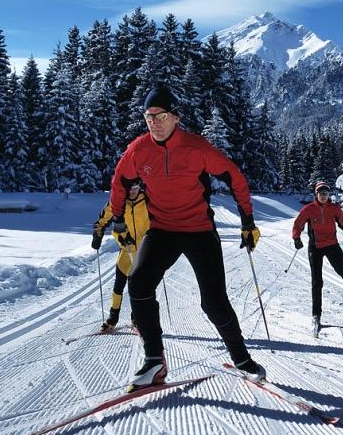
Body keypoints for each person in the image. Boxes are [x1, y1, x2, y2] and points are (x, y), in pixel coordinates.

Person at [109, 86, 265, 391]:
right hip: (162, 230)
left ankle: (242, 359)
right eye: (148, 116)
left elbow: (235, 176)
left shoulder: (196, 147)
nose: (154, 121)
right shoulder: (139, 150)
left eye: (161, 115)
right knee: (138, 283)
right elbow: (120, 180)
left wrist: (247, 220)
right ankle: (154, 361)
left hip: (198, 231)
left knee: (214, 302)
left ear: (175, 117)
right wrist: (117, 218)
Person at [292, 181, 343, 335]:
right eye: (321, 193)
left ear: (329, 195)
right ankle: (316, 314)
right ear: (316, 194)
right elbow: (298, 224)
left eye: (326, 193)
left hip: (332, 245)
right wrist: (296, 238)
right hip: (315, 247)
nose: (324, 196)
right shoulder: (309, 209)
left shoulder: (334, 208)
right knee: (317, 281)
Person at [91, 179, 149, 331]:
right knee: (119, 285)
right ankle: (112, 319)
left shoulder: (148, 199)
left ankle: (136, 318)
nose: (132, 191)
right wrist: (98, 234)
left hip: (144, 250)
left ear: (139, 187)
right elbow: (102, 220)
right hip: (126, 248)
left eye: (135, 187)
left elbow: (162, 215)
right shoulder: (117, 202)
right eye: (129, 188)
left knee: (140, 286)